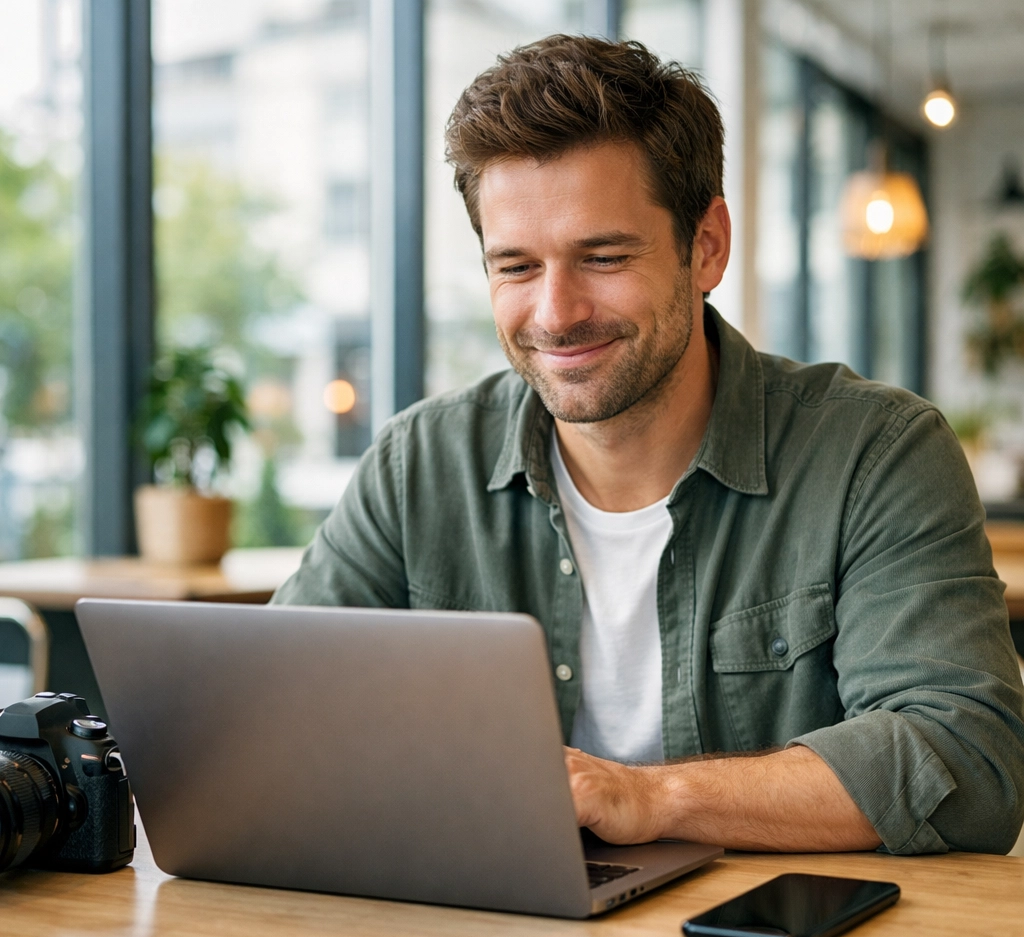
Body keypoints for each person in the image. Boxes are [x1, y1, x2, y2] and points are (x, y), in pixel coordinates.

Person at [274, 35, 1024, 855]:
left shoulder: (875, 453)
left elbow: (968, 761)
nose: (556, 314)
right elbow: (270, 713)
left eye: (602, 257)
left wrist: (653, 797)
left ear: (706, 246)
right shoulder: (418, 463)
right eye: (516, 267)